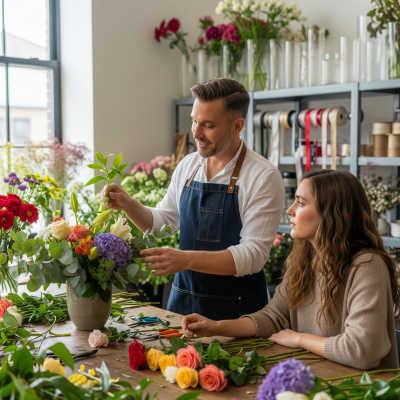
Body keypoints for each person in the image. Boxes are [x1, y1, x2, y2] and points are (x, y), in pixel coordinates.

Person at [104, 78, 284, 320]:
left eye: (208, 125)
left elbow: (252, 256)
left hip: (238, 316)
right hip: (183, 307)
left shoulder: (262, 176)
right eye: (194, 121)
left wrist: (186, 259)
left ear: (237, 126)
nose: (196, 133)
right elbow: (162, 222)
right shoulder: (189, 165)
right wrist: (129, 205)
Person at [183, 169, 400, 369]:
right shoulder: (306, 258)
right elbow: (274, 316)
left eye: (301, 202)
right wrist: (216, 327)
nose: (290, 210)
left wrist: (298, 339)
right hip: (317, 377)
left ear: (332, 213)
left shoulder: (367, 266)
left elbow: (362, 351)